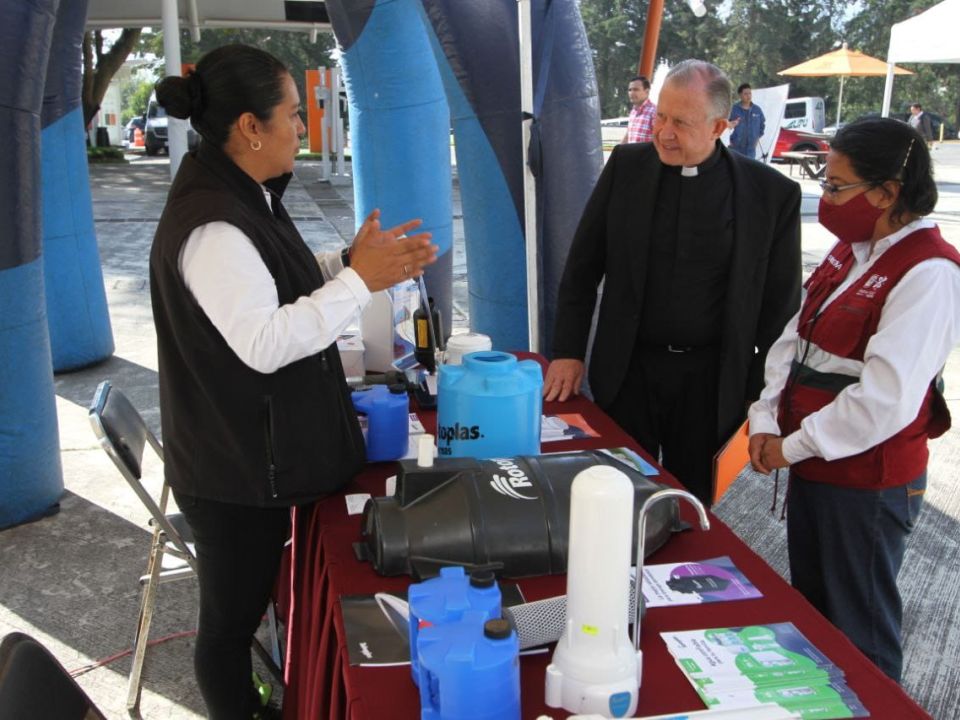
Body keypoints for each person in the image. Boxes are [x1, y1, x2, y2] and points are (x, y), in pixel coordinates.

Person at [149, 45, 436, 719]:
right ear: (250, 128)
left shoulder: (239, 192)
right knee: (227, 630)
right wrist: (358, 280)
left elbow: (271, 275)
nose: (302, 129)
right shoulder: (213, 222)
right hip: (233, 470)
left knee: (241, 615)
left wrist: (346, 261)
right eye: (292, 115)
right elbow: (265, 341)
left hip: (251, 453)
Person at [748, 117, 960, 683]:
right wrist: (764, 417)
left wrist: (791, 446)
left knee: (859, 631)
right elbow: (795, 338)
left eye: (838, 186)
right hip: (813, 465)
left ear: (888, 192)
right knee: (814, 618)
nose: (827, 198)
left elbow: (884, 400)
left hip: (866, 481)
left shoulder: (929, 272)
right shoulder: (850, 252)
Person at [544, 59, 801, 506]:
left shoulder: (771, 193)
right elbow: (583, 267)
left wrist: (757, 395)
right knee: (614, 495)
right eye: (661, 115)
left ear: (721, 125)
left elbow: (780, 308)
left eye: (680, 122)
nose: (663, 132)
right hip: (628, 371)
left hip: (711, 381)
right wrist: (567, 351)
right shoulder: (626, 167)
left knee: (689, 504)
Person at [728, 83, 766, 159]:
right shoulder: (734, 109)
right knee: (736, 170)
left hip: (751, 149)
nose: (748, 96)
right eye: (745, 94)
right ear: (740, 95)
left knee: (748, 170)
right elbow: (726, 125)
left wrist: (757, 138)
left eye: (750, 93)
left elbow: (762, 125)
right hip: (736, 148)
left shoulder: (757, 110)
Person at [622, 75, 656, 144]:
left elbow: (659, 141)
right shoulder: (633, 112)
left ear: (647, 92)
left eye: (636, 89)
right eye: (630, 90)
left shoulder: (654, 112)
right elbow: (628, 135)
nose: (631, 93)